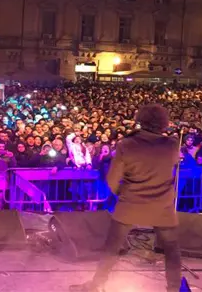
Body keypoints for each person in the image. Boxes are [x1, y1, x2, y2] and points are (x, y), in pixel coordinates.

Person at [70, 104, 182, 292]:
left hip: (130, 204)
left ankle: (96, 285)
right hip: (161, 205)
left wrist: (124, 193)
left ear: (140, 120)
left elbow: (112, 180)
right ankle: (174, 288)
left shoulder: (127, 144)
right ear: (163, 122)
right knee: (171, 249)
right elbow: (172, 167)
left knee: (112, 247)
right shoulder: (172, 144)